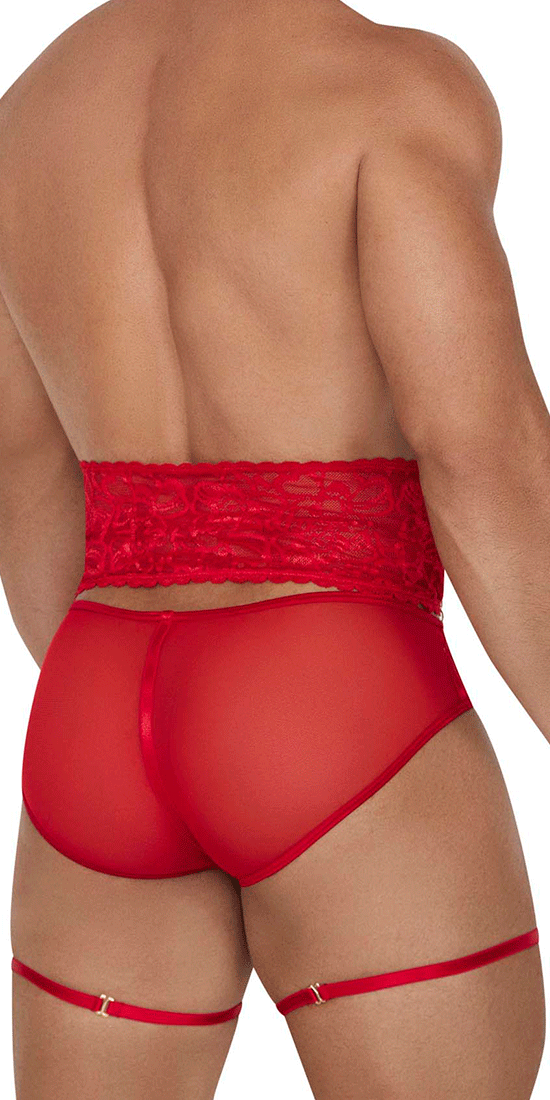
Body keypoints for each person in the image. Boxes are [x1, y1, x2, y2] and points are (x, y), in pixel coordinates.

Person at [0, 1, 546, 1097]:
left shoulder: (31, 114)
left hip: (95, 712)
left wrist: (149, 722)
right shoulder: (388, 86)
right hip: (335, 701)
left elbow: (23, 472)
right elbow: (482, 455)